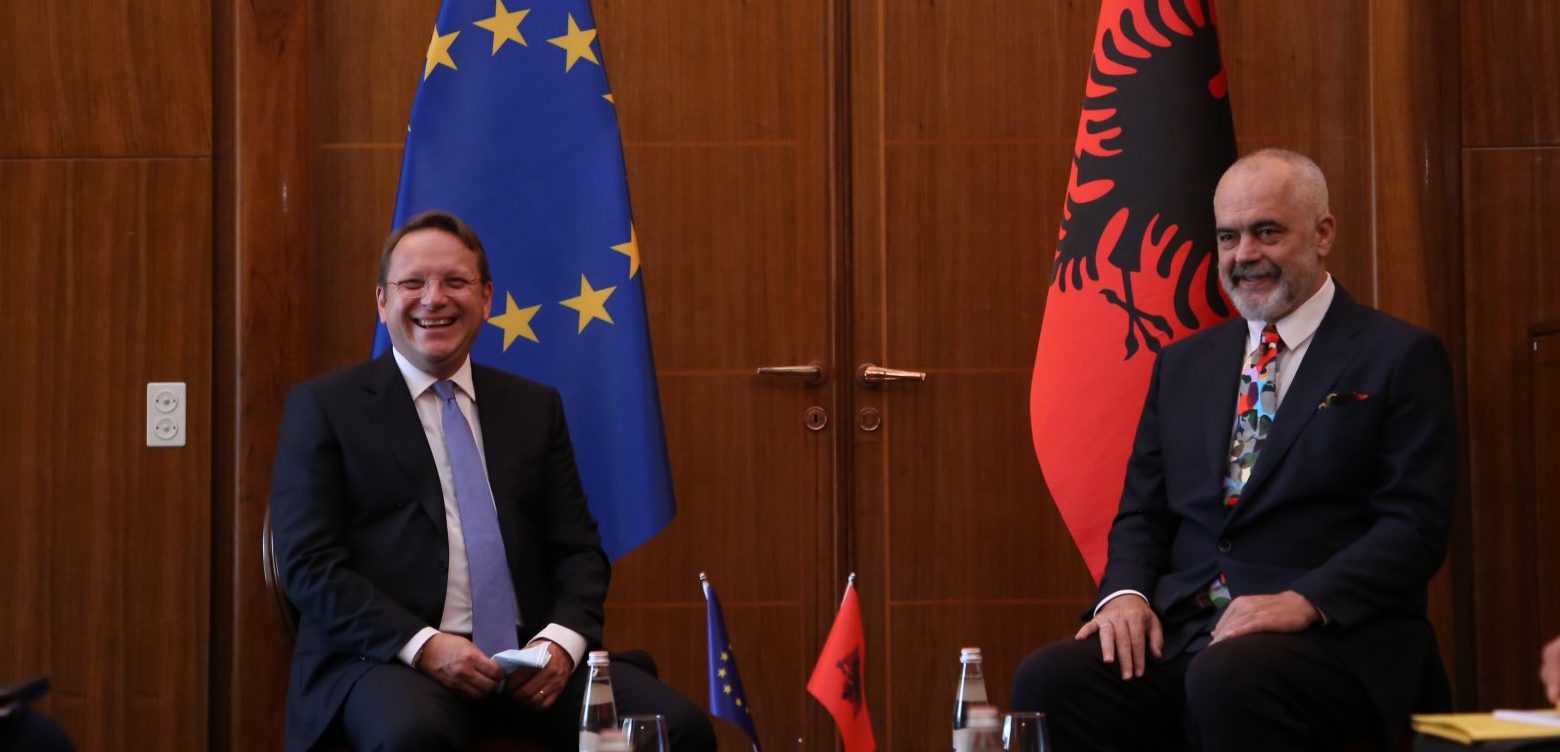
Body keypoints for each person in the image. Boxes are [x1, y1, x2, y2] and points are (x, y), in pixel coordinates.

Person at [1012, 149, 1456, 751]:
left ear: (1323, 233)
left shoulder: (1398, 356)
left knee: (1226, 678)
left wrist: (1304, 601)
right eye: (1228, 237)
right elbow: (1143, 512)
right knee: (1052, 679)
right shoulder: (1183, 364)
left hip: (1328, 636)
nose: (1244, 254)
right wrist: (1125, 596)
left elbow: (1414, 527)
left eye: (1266, 232)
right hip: (1188, 628)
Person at [270, 210, 715, 752]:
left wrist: (560, 644)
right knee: (412, 738)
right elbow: (309, 565)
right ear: (382, 302)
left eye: (455, 281)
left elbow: (579, 550)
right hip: (391, 660)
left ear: (486, 299)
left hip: (532, 666)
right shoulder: (325, 408)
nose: (434, 298)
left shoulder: (533, 407)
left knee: (680, 727)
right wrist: (426, 646)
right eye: (413, 283)